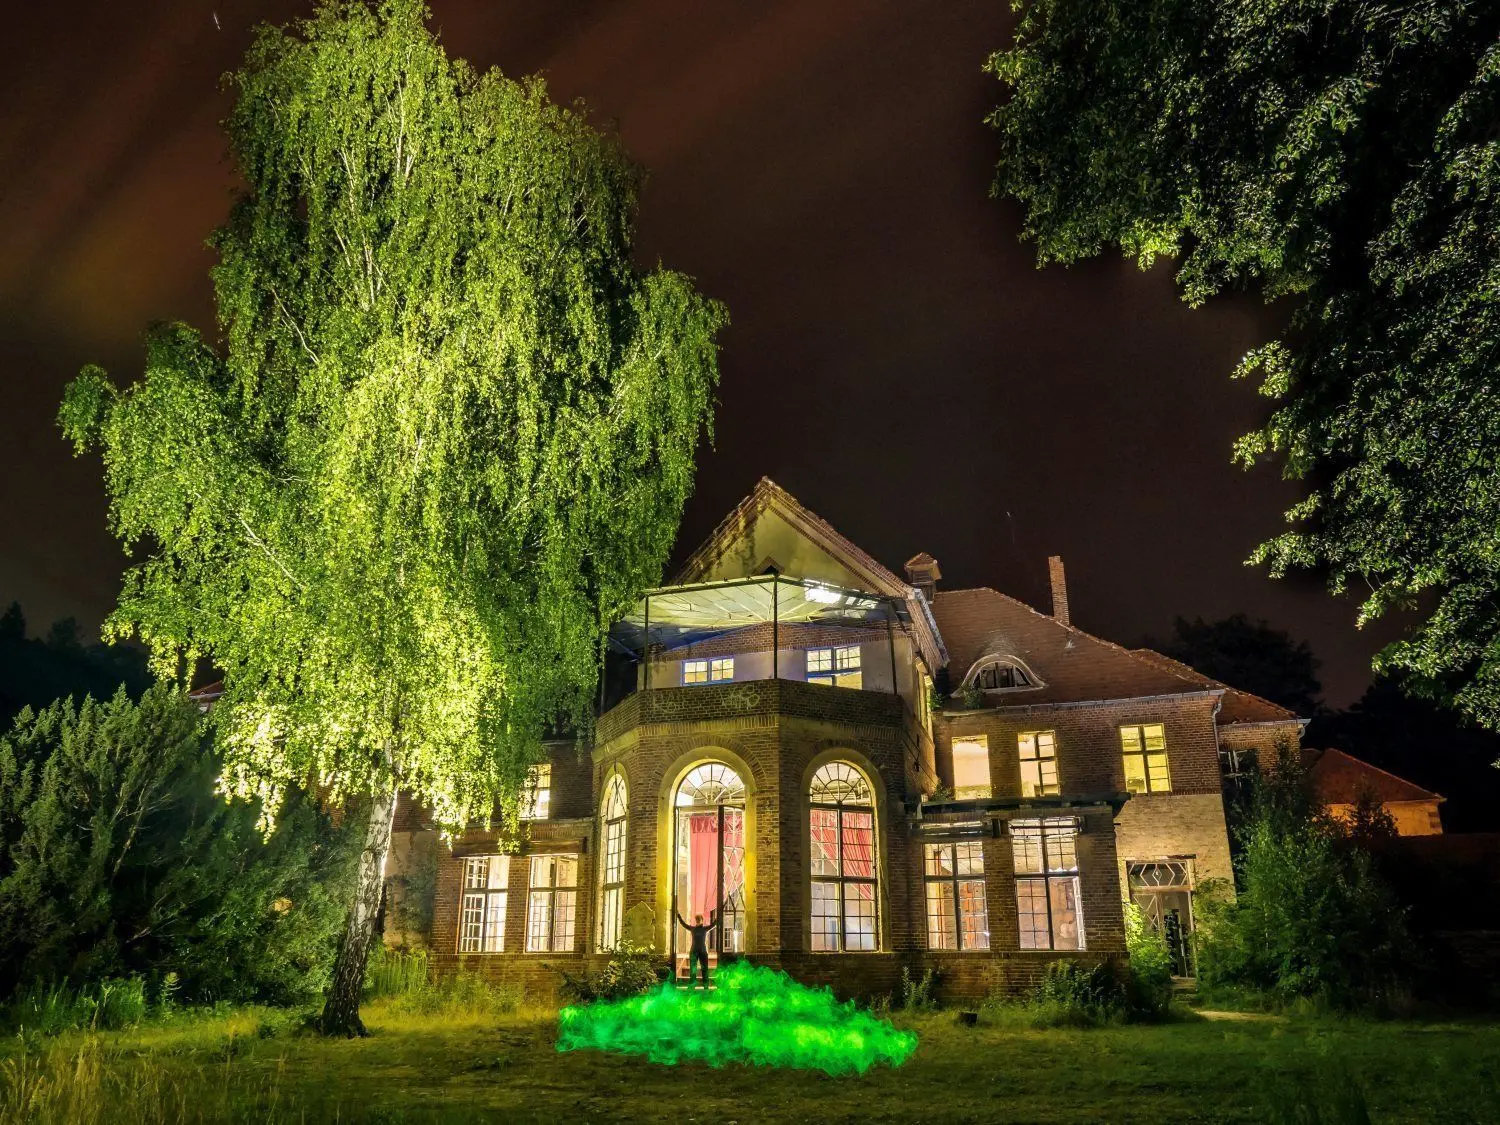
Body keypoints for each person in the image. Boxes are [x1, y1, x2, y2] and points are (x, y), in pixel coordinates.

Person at [675, 908, 719, 988]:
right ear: (696, 920)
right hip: (694, 951)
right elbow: (683, 924)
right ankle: (692, 986)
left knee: (704, 969)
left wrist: (718, 915)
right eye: (697, 919)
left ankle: (706, 986)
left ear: (702, 920)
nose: (698, 921)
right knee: (693, 970)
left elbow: (714, 924)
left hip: (702, 951)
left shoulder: (705, 928)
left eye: (699, 919)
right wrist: (678, 915)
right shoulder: (693, 929)